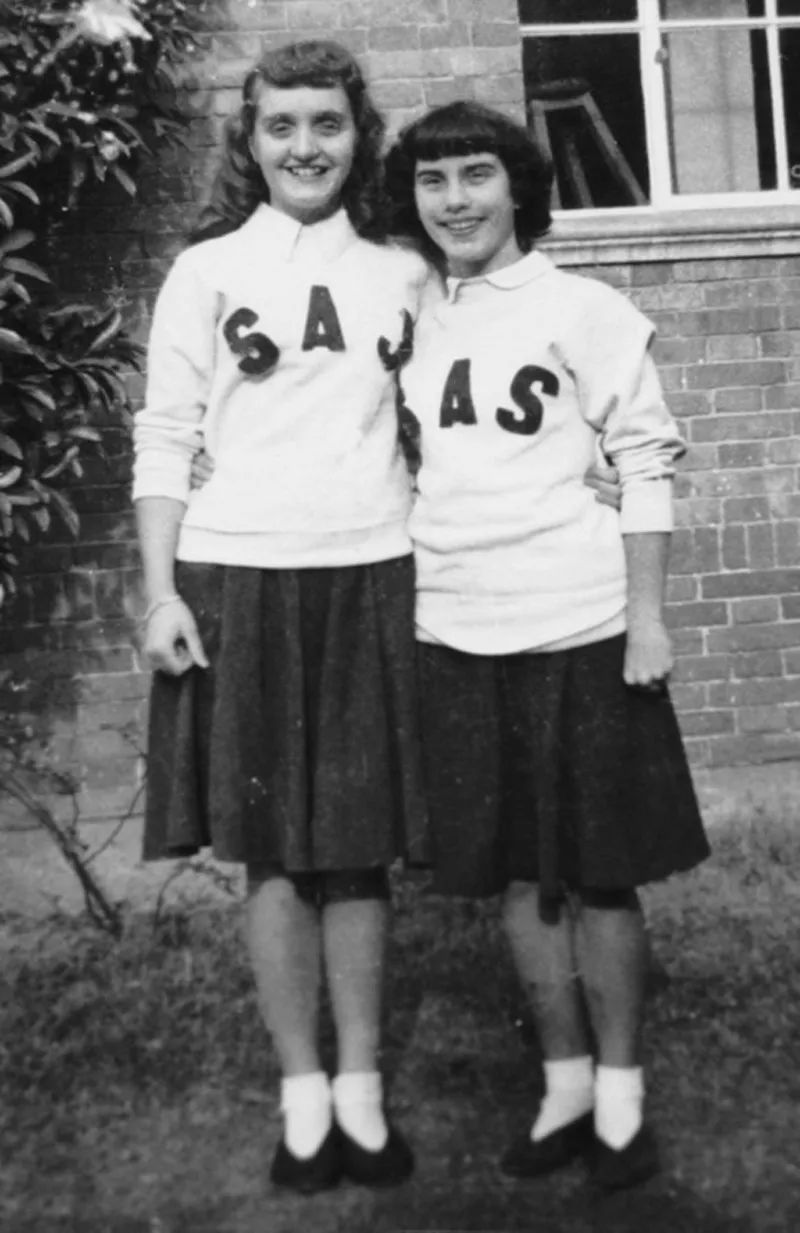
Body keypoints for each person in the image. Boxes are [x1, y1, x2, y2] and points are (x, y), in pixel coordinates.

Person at [384, 101, 710, 1193]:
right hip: (455, 626)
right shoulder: (409, 313)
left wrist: (647, 617)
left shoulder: (585, 308)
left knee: (601, 876)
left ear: (518, 185)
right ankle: (563, 1083)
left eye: (477, 174)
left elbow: (645, 460)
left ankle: (621, 1097)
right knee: (520, 876)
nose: (456, 201)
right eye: (433, 181)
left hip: (579, 623)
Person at [132, 40, 430, 1195]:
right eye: (280, 126)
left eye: (327, 124)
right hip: (238, 575)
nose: (305, 146)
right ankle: (301, 1093)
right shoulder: (205, 270)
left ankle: (361, 1087)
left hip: (370, 568)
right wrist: (162, 590)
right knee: (270, 851)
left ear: (359, 135)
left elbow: (449, 419)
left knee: (356, 849)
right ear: (248, 141)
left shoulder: (402, 269)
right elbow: (165, 436)